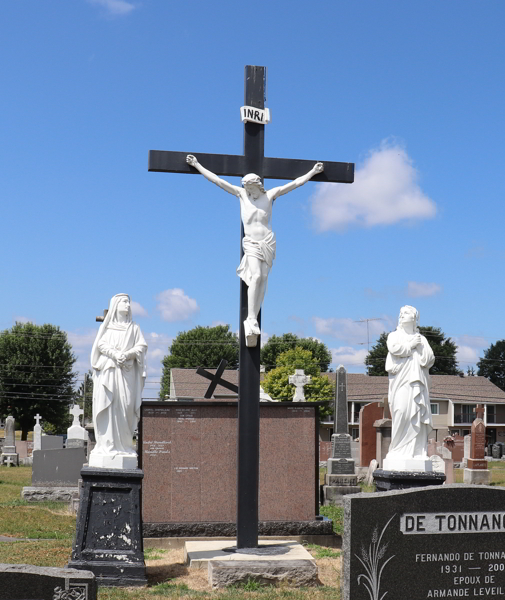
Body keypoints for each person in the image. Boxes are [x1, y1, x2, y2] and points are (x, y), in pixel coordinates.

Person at [186, 154, 323, 343]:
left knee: (264, 280)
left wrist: (312, 172)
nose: (250, 192)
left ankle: (255, 317)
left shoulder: (270, 195)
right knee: (256, 276)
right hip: (251, 243)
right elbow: (218, 180)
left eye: (252, 188)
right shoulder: (242, 196)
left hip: (267, 241)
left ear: (258, 185)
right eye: (247, 188)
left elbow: (294, 184)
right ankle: (250, 318)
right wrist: (198, 165)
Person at [89, 293, 147, 469]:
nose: (128, 305)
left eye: (129, 303)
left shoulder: (134, 328)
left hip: (127, 373)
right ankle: (107, 444)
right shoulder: (107, 327)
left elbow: (141, 346)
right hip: (109, 370)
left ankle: (124, 446)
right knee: (109, 406)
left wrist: (127, 354)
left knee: (125, 407)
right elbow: (100, 344)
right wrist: (115, 355)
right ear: (115, 305)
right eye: (124, 302)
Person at [383, 305, 435, 471]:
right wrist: (411, 345)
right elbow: (394, 348)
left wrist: (420, 349)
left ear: (414, 318)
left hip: (417, 382)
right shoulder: (394, 336)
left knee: (417, 414)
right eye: (401, 313)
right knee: (401, 411)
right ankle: (397, 449)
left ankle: (418, 452)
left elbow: (429, 358)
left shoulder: (421, 338)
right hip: (401, 381)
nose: (402, 315)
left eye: (406, 313)